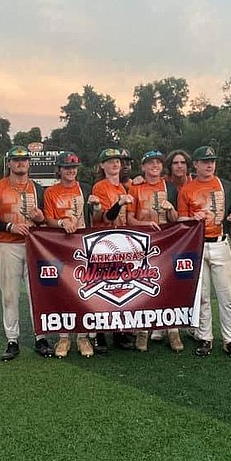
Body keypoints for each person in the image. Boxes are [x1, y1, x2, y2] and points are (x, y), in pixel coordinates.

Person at [0, 146, 53, 361]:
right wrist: (9, 226)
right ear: (9, 163)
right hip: (7, 245)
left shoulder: (39, 189)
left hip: (34, 245)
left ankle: (41, 337)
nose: (20, 163)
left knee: (37, 293)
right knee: (10, 294)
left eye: (24, 160)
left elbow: (47, 219)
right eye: (16, 160)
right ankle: (12, 339)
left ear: (29, 163)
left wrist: (39, 218)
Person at [177, 146, 231, 360]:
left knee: (227, 295)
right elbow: (180, 219)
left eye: (212, 161)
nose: (209, 165)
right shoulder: (187, 189)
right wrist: (192, 218)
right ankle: (205, 337)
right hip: (197, 245)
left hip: (220, 242)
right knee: (203, 295)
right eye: (204, 161)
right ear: (195, 164)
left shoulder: (226, 186)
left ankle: (230, 340)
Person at [127, 150, 181, 352]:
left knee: (170, 285)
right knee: (143, 286)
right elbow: (129, 219)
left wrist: (169, 210)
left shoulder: (169, 186)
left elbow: (176, 219)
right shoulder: (136, 187)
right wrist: (145, 224)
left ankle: (173, 330)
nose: (154, 166)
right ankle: (142, 332)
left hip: (167, 242)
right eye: (150, 163)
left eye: (158, 162)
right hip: (142, 242)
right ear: (143, 167)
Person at [43, 151, 94, 358]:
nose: (70, 171)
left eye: (73, 167)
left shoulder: (86, 189)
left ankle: (83, 337)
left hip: (84, 244)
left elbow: (96, 218)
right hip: (60, 245)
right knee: (63, 290)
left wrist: (96, 207)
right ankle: (63, 337)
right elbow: (48, 220)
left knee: (84, 290)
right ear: (59, 170)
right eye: (66, 167)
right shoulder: (51, 192)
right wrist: (62, 222)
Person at [90, 147, 135, 351]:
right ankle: (99, 334)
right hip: (104, 241)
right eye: (109, 161)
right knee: (103, 289)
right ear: (102, 165)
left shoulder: (123, 187)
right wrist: (119, 203)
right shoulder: (100, 186)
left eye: (117, 160)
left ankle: (118, 331)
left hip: (121, 241)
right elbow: (106, 217)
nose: (115, 164)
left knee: (120, 287)